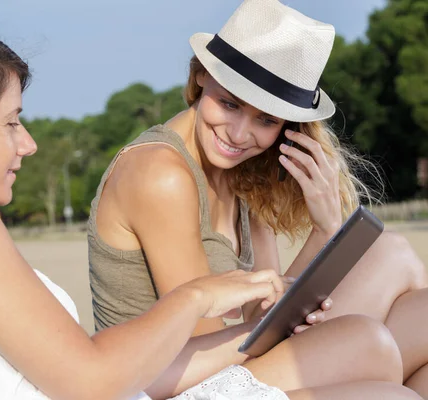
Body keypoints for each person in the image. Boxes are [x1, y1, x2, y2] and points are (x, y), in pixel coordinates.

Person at [0, 12, 420, 400]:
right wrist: (196, 297)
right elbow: (89, 377)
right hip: (143, 386)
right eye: (12, 123)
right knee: (376, 359)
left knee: (389, 323)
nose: (28, 143)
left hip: (142, 381)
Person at [88, 0, 428, 397]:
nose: (239, 134)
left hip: (229, 358)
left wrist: (325, 230)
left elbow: (264, 312)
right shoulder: (160, 175)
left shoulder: (240, 172)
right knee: (372, 352)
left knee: (396, 259)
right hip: (165, 382)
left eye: (266, 119)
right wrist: (329, 342)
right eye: (230, 104)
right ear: (200, 76)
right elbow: (207, 339)